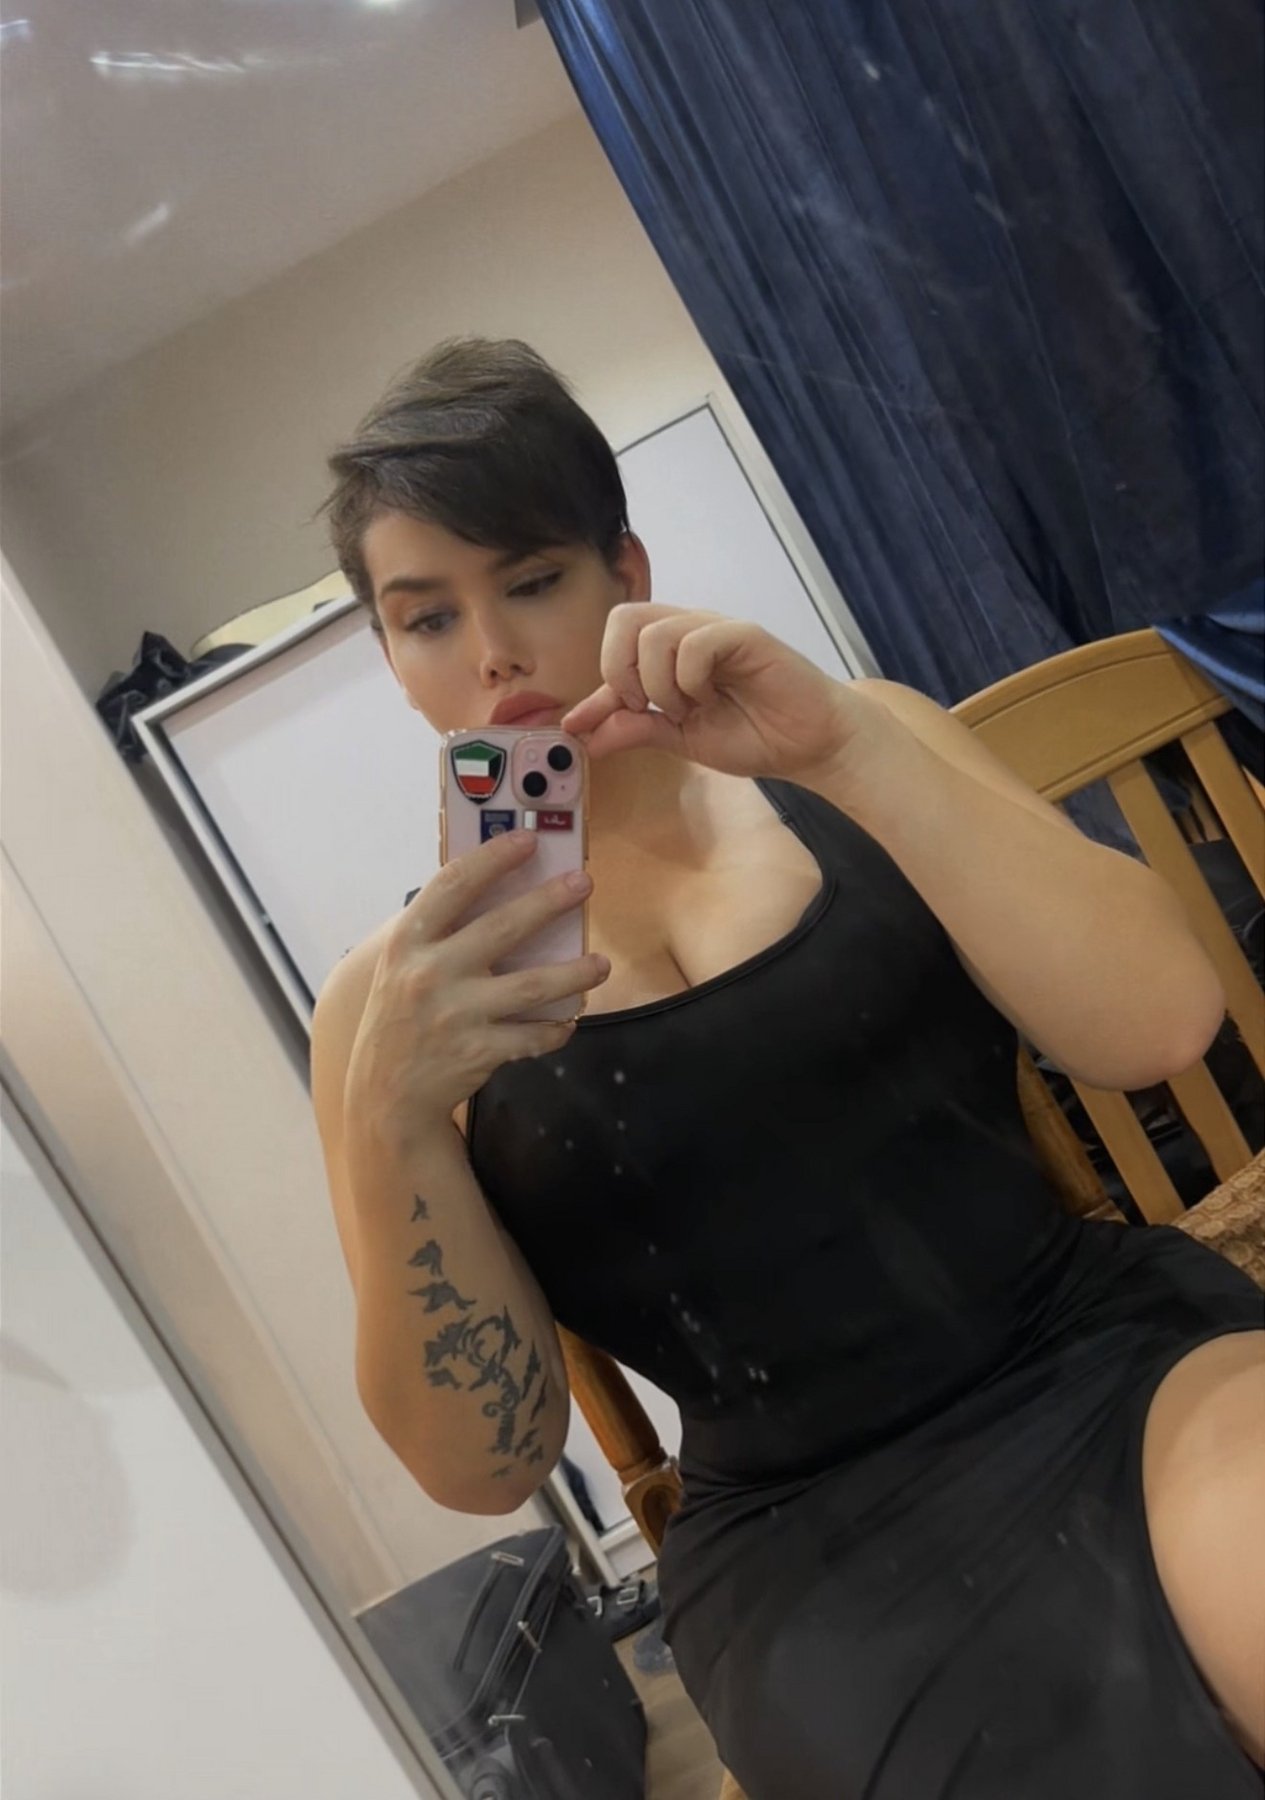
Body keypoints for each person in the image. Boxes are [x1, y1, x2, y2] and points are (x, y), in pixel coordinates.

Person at [311, 338, 1264, 1799]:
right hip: (800, 1536)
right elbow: (485, 1464)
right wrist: (395, 1123)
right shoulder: (386, 1008)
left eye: (533, 579)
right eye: (426, 616)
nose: (489, 652)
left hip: (1096, 1356)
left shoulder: (846, 741)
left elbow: (1159, 1025)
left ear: (626, 573)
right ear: (389, 656)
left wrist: (848, 752)